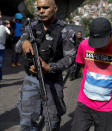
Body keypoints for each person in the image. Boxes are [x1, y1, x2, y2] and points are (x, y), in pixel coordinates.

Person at [16, 0, 76, 130]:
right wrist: (24, 42)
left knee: (52, 120)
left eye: (45, 7)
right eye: (38, 8)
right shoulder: (31, 27)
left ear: (55, 8)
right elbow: (17, 48)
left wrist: (50, 68)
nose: (41, 11)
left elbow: (70, 57)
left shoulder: (65, 31)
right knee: (27, 120)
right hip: (31, 79)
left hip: (53, 81)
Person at [71, 17, 112, 131]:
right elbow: (82, 66)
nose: (98, 46)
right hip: (84, 103)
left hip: (107, 108)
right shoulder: (84, 45)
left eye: (102, 42)